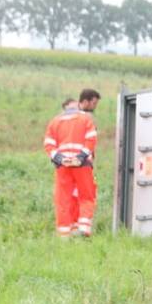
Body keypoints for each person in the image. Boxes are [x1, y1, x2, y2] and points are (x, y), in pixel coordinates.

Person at [43, 89, 101, 237]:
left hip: (63, 166)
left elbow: (49, 144)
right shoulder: (85, 119)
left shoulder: (55, 121)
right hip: (82, 165)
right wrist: (82, 156)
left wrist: (58, 158)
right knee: (86, 196)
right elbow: (91, 139)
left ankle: (64, 233)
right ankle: (84, 228)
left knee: (63, 199)